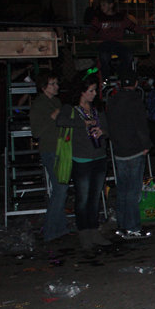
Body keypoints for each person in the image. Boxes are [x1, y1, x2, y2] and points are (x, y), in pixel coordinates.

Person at [56, 75, 111, 250]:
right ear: (81, 91)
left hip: (100, 157)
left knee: (95, 198)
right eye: (91, 91)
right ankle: (84, 234)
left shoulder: (97, 108)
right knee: (83, 198)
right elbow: (60, 121)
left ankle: (94, 232)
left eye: (96, 90)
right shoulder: (70, 109)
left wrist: (102, 131)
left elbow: (108, 128)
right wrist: (84, 123)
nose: (94, 94)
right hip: (82, 159)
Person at [106, 70, 153, 239]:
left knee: (123, 190)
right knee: (133, 192)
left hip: (119, 151)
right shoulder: (135, 100)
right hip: (134, 151)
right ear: (135, 84)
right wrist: (146, 144)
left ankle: (122, 224)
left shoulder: (112, 100)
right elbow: (140, 125)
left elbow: (109, 124)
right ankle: (133, 227)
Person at [29, 71, 70, 242]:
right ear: (43, 87)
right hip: (50, 150)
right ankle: (51, 230)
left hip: (61, 148)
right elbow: (37, 131)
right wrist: (53, 116)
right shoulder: (39, 104)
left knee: (62, 188)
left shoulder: (56, 101)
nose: (56, 86)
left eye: (56, 83)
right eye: (52, 84)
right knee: (60, 189)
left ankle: (60, 228)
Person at [86, 0, 150, 81]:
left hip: (117, 43)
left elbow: (134, 27)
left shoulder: (120, 17)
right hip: (105, 43)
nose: (102, 7)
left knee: (129, 55)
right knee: (104, 56)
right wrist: (89, 39)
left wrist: (147, 34)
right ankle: (105, 78)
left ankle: (120, 73)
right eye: (101, 5)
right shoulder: (98, 18)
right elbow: (92, 29)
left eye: (104, 5)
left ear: (111, 5)